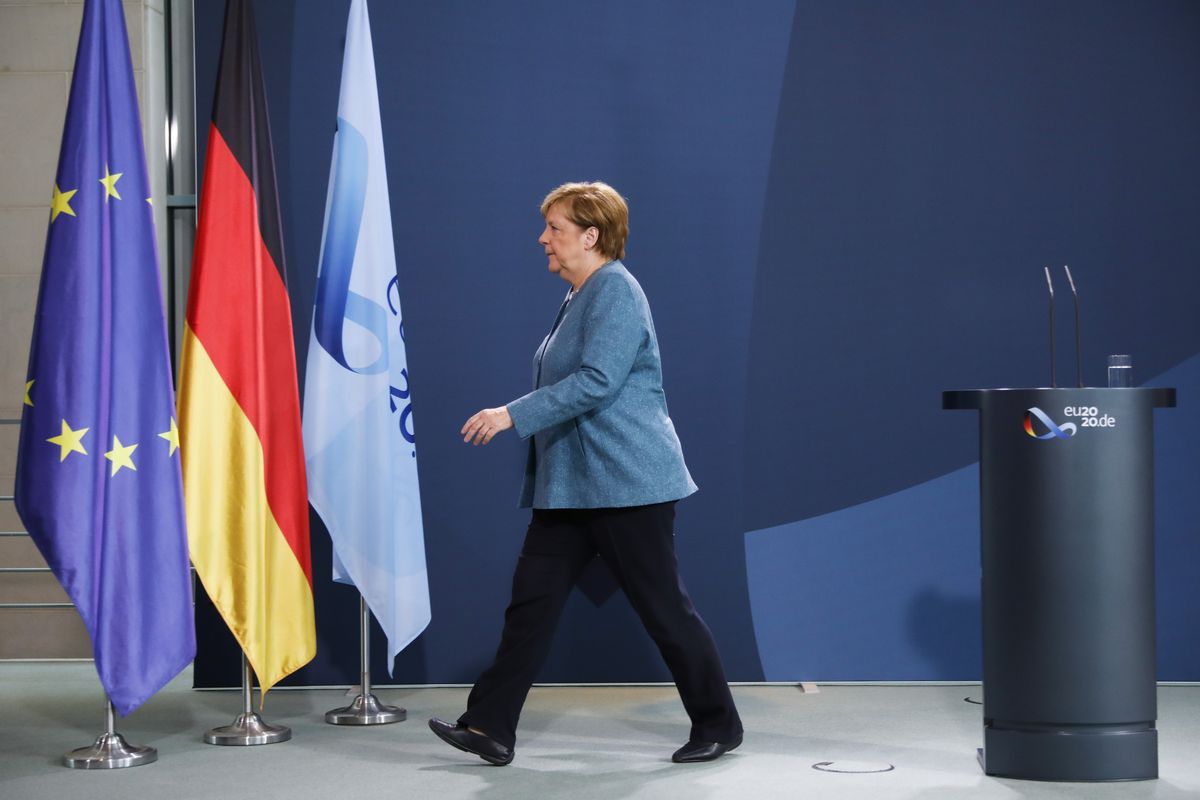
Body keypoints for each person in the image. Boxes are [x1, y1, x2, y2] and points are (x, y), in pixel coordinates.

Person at [428, 181, 743, 766]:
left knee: (664, 610)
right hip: (571, 486)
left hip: (626, 486)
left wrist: (509, 414)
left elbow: (597, 381)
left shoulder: (616, 291)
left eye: (555, 228)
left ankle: (720, 725)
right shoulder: (580, 294)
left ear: (591, 236)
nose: (542, 238)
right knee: (531, 608)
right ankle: (491, 728)